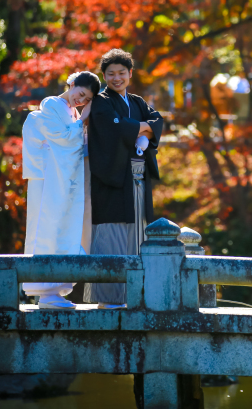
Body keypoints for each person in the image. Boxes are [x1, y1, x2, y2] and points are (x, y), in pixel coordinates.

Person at [83, 49, 163, 309]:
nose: (116, 78)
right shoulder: (102, 102)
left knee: (137, 234)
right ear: (104, 76)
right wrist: (143, 128)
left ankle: (133, 296)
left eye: (121, 73)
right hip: (112, 179)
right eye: (110, 74)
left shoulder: (137, 101)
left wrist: (142, 127)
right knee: (111, 234)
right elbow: (115, 128)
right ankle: (109, 297)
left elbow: (157, 120)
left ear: (130, 73)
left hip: (137, 179)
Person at [22, 71, 100, 309]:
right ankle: (45, 291)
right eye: (81, 93)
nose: (81, 101)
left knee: (63, 228)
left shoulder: (73, 112)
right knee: (46, 227)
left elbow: (73, 142)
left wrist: (80, 120)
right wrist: (81, 120)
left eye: (86, 99)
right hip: (47, 179)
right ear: (72, 84)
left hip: (60, 179)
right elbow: (63, 139)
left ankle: (55, 290)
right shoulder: (52, 103)